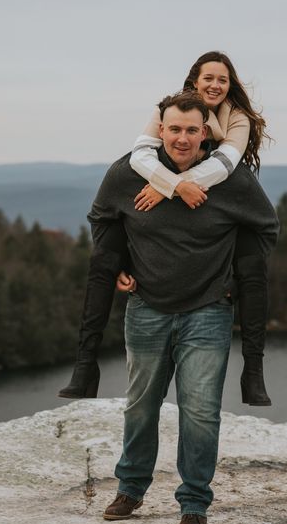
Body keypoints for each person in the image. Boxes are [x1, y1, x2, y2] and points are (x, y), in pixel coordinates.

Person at [87, 92, 279, 524]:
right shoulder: (128, 174)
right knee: (140, 405)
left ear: (206, 132)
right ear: (160, 129)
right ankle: (130, 489)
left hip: (208, 313)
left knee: (200, 411)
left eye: (193, 130)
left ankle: (194, 504)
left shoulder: (233, 181)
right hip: (146, 309)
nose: (182, 138)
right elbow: (101, 217)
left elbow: (267, 226)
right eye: (174, 128)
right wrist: (116, 262)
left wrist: (235, 276)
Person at [59, 51, 274, 406]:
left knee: (252, 266)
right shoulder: (168, 110)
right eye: (208, 78)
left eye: (223, 79)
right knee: (104, 259)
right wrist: (168, 187)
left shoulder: (237, 119)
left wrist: (172, 186)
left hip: (213, 196)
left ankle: (253, 371)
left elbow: (223, 164)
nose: (215, 85)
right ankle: (84, 365)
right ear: (193, 81)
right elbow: (141, 155)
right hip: (149, 295)